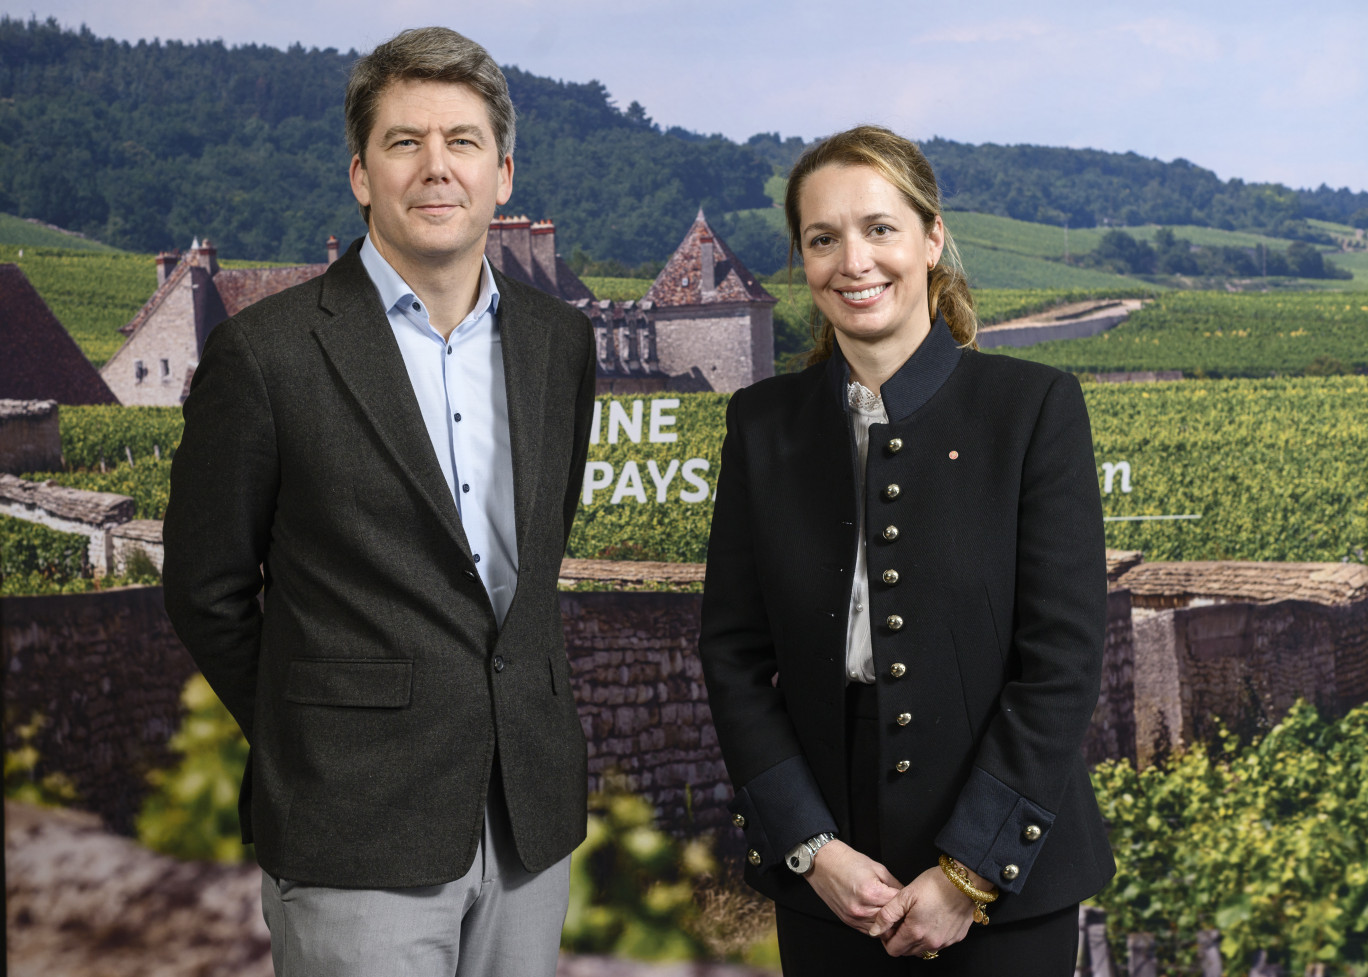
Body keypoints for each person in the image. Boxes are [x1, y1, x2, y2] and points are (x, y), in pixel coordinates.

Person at [162, 26, 596, 977]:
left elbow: (536, 557)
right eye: (405, 143)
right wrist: (323, 729)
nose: (436, 168)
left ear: (504, 174)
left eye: (462, 142)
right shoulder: (266, 355)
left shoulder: (560, 343)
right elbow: (206, 589)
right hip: (351, 821)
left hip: (526, 819)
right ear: (362, 175)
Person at [698, 125, 1115, 976]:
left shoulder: (1033, 409)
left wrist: (969, 871)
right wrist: (811, 847)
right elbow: (734, 655)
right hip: (830, 875)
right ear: (802, 261)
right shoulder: (762, 425)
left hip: (1005, 873)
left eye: (879, 228)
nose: (853, 261)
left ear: (931, 239)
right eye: (823, 238)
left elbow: (1062, 658)